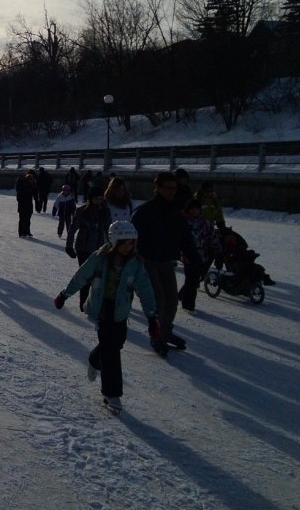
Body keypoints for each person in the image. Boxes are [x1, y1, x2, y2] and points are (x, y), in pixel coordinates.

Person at [54, 221, 159, 415]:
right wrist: (64, 294)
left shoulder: (135, 263)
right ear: (114, 242)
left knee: (115, 344)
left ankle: (95, 359)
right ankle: (112, 394)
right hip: (103, 309)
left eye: (131, 244)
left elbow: (145, 290)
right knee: (111, 352)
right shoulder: (100, 258)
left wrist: (152, 317)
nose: (127, 248)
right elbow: (82, 276)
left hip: (120, 311)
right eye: (123, 243)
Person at [131, 171, 201, 356]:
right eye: (167, 188)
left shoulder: (174, 213)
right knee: (158, 300)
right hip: (147, 261)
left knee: (171, 300)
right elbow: (130, 236)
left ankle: (166, 332)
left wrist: (195, 259)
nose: (171, 192)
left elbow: (185, 238)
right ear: (157, 187)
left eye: (174, 188)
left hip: (166, 261)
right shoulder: (145, 211)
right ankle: (156, 337)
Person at [65, 186, 112, 309]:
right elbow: (72, 229)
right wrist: (69, 246)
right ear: (91, 199)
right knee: (85, 276)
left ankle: (93, 303)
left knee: (97, 278)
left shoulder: (105, 211)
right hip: (83, 248)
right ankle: (83, 302)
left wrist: (113, 246)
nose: (99, 201)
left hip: (99, 248)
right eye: (96, 199)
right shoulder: (82, 211)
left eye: (101, 199)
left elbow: (109, 230)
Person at [180, 199, 222, 313]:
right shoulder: (183, 222)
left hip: (202, 255)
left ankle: (182, 296)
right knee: (191, 280)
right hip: (187, 256)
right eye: (192, 209)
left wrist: (218, 251)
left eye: (197, 209)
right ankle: (188, 305)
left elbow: (213, 238)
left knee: (193, 280)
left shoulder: (205, 223)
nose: (195, 211)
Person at [15, 170, 37, 237]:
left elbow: (35, 193)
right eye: (31, 177)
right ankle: (21, 232)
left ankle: (27, 231)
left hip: (29, 204)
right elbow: (20, 193)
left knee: (28, 219)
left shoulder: (32, 183)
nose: (32, 179)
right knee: (22, 219)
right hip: (22, 203)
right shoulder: (21, 183)